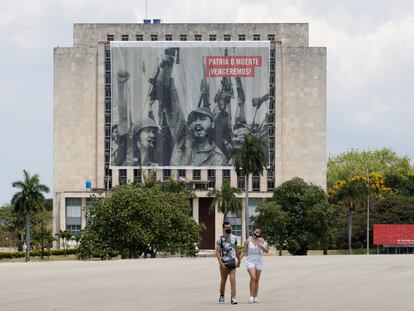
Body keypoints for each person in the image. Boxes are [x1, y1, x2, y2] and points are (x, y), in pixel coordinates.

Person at [242, 227, 269, 303]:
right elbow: (244, 252)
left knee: (257, 280)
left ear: (259, 234)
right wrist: (239, 261)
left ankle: (255, 297)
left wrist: (261, 246)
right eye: (255, 232)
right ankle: (251, 296)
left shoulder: (262, 240)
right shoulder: (248, 241)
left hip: (259, 260)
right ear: (253, 232)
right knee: (253, 277)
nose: (256, 234)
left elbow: (267, 251)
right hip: (250, 260)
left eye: (258, 233)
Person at [216, 222, 241, 305]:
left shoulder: (234, 238)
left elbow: (237, 250)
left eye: (230, 227)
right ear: (223, 228)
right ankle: (222, 296)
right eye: (226, 227)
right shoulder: (220, 239)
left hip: (232, 262)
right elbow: (218, 252)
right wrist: (220, 263)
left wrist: (239, 260)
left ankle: (233, 297)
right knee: (223, 281)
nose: (228, 228)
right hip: (223, 263)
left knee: (233, 279)